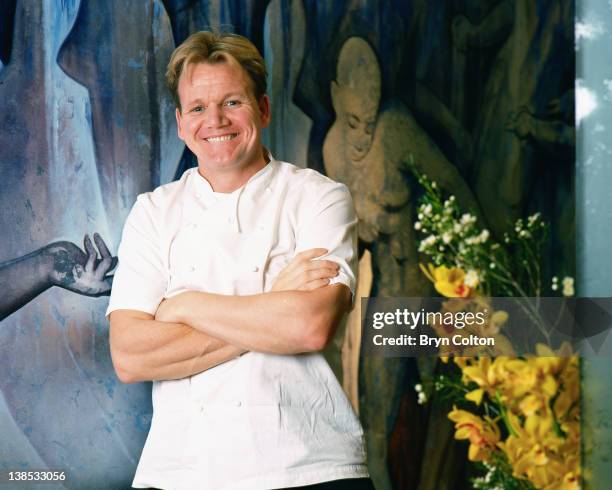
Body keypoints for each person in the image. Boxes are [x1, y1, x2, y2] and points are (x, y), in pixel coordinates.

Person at [107, 31, 373, 490]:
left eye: (233, 102)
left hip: (310, 466)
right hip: (181, 471)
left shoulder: (319, 197)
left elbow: (306, 326)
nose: (215, 120)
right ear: (180, 123)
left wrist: (183, 305)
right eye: (197, 108)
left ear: (264, 109)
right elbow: (130, 355)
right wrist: (272, 300)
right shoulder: (153, 212)